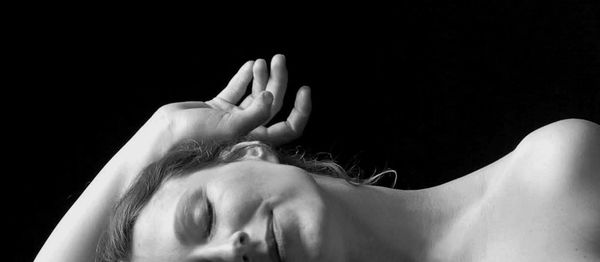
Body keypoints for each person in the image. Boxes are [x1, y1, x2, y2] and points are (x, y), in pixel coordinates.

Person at [35, 54, 600, 262]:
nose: (227, 254)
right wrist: (152, 141)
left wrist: (165, 132)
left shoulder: (557, 176)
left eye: (201, 217)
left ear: (248, 151)